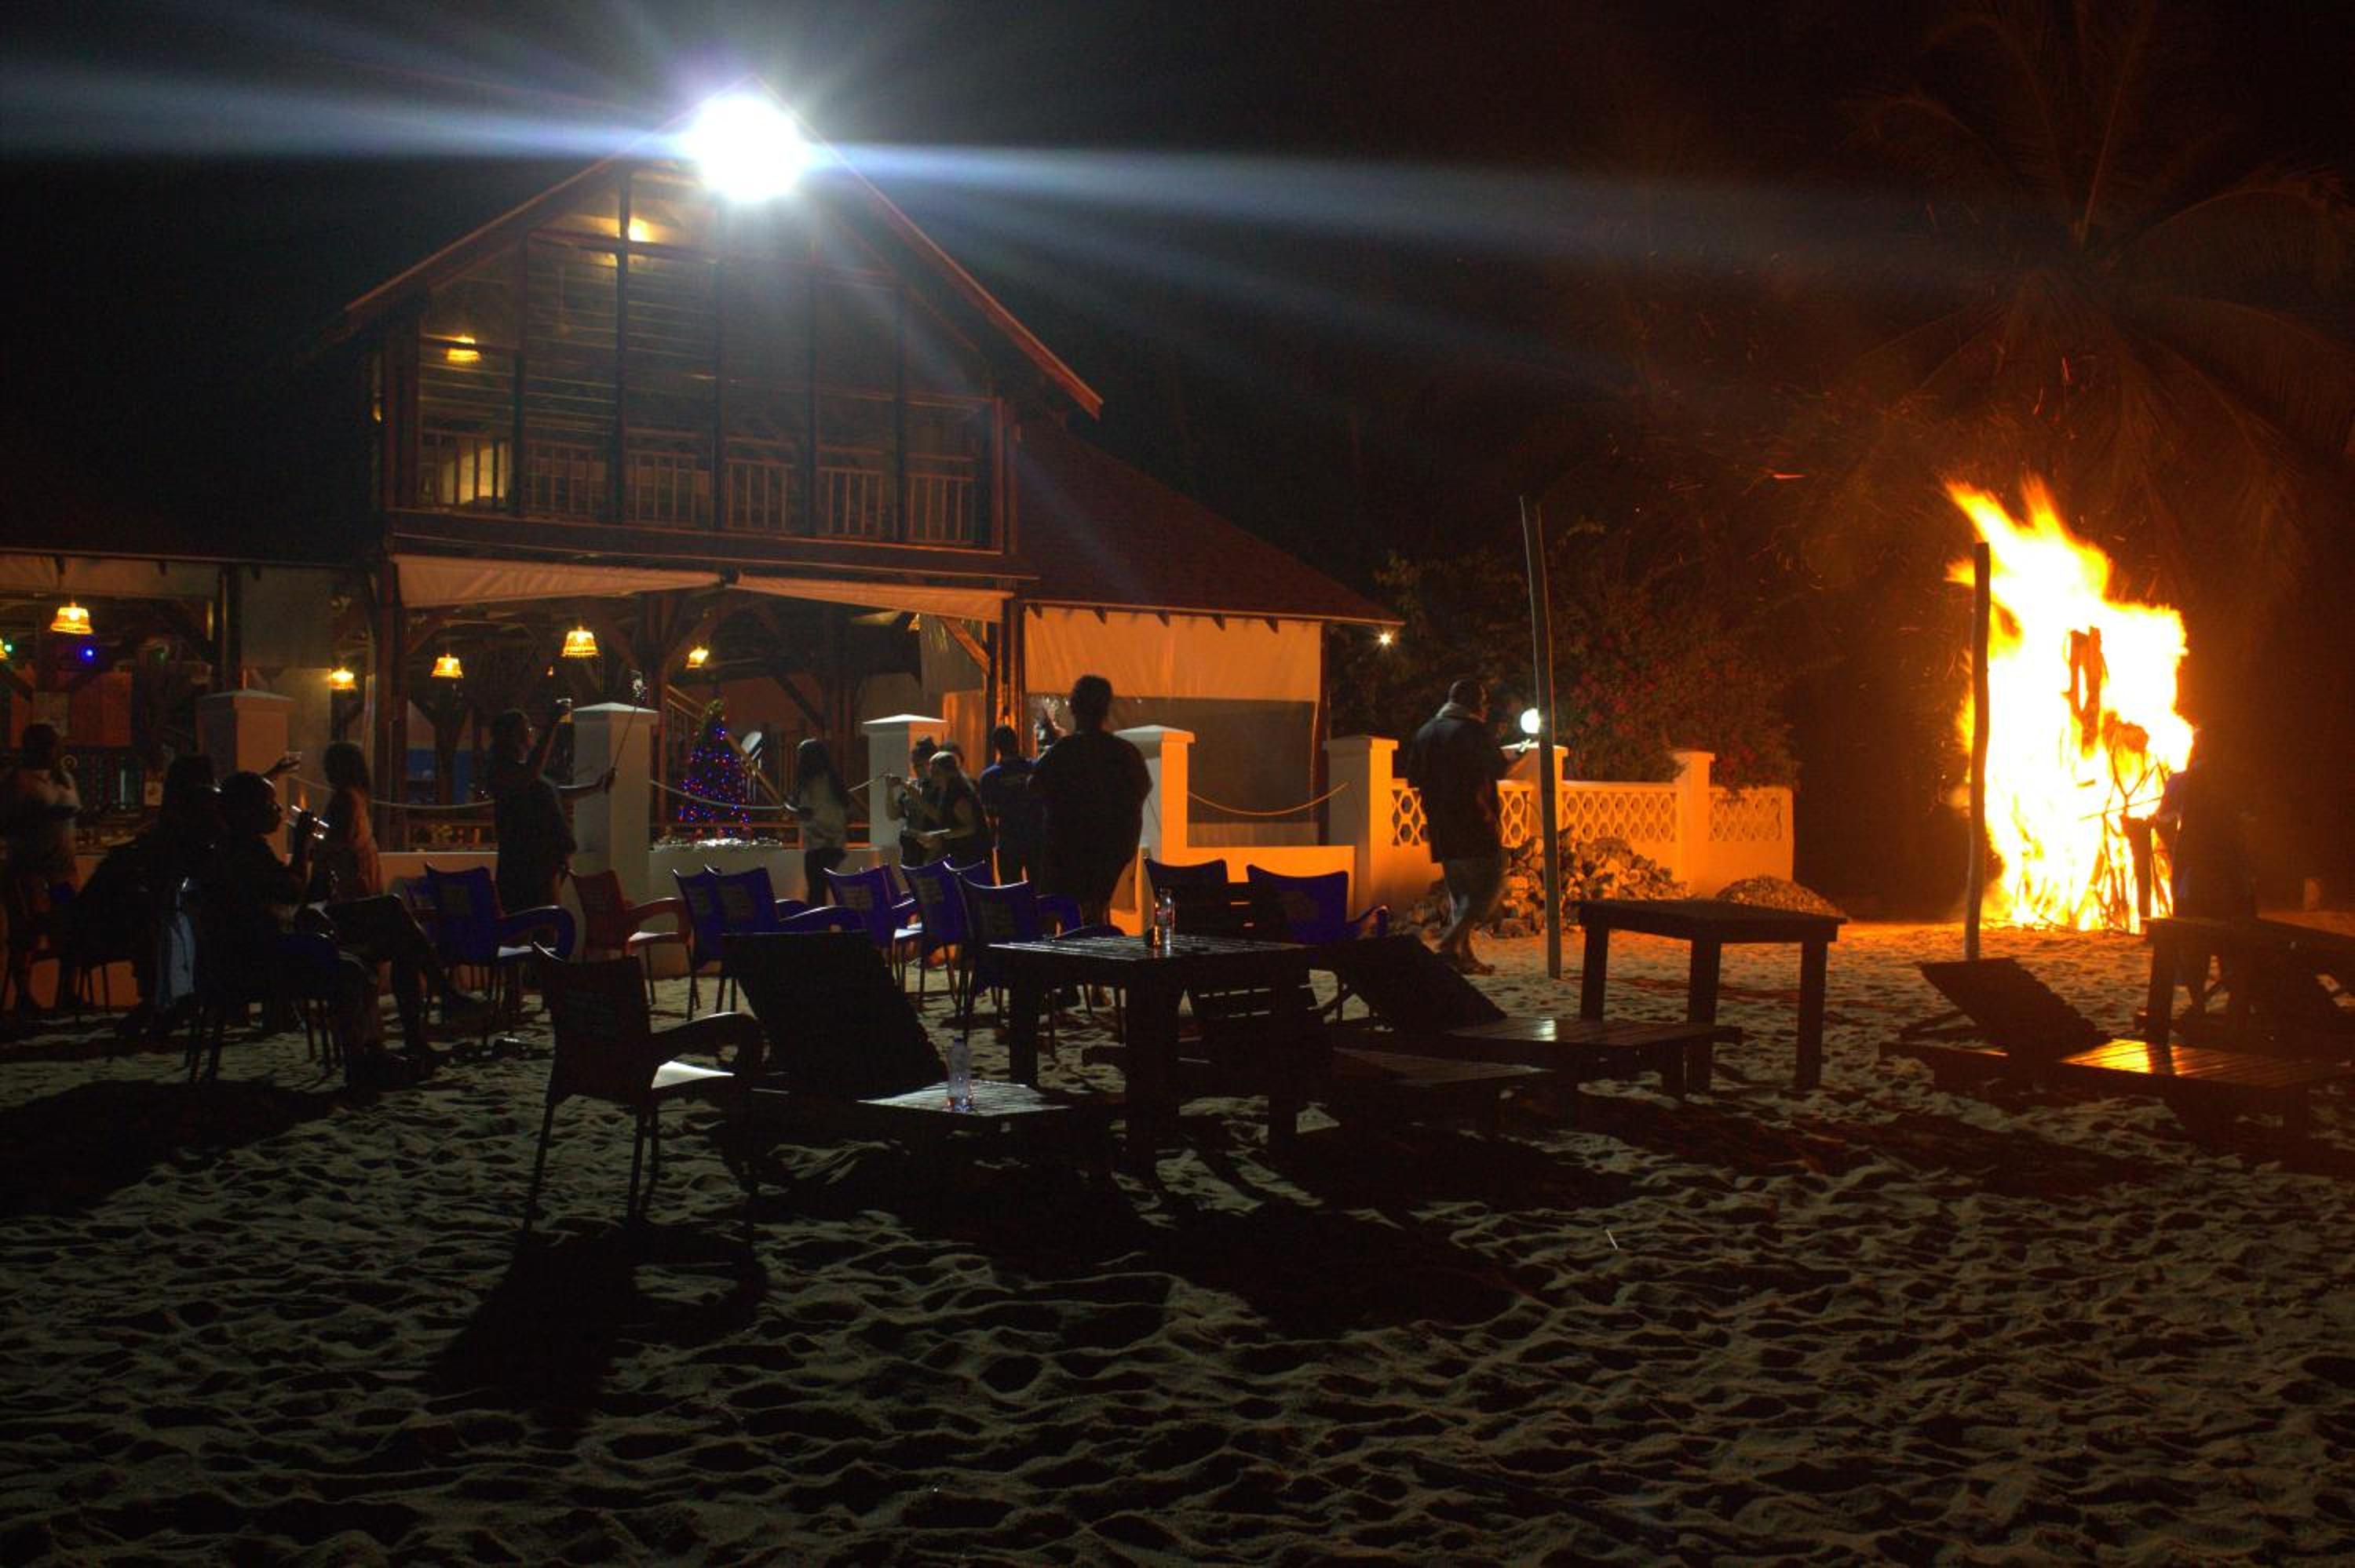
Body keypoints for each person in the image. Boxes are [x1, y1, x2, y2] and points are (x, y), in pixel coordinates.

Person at [1404, 678, 1510, 974]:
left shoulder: (1426, 731)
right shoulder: (1472, 730)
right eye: (1484, 701)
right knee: (1489, 887)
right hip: (1475, 821)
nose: (1486, 707)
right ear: (1474, 702)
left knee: (1460, 894)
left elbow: (1413, 777)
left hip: (1441, 826)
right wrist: (1515, 756)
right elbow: (1498, 768)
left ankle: (1462, 956)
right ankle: (1450, 942)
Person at [1032, 675, 1152, 928]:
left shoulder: (1063, 752)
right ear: (1106, 709)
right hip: (1109, 858)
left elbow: (1035, 787)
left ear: (1074, 708)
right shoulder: (1125, 754)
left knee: (1053, 920)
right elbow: (1141, 789)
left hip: (1065, 858)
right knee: (1095, 915)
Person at [487, 703, 612, 916]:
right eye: (527, 728)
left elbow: (556, 793)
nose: (531, 732)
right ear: (513, 736)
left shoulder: (524, 771)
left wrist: (596, 787)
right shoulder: (503, 770)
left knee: (547, 923)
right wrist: (552, 724)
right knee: (538, 924)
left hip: (545, 866)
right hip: (525, 868)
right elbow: (530, 776)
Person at [2, 724, 82, 1012]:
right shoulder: (18, 780)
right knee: (29, 929)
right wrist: (40, 817)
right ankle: (24, 994)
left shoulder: (65, 778)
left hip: (62, 872)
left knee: (68, 926)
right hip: (30, 871)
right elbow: (6, 821)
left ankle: (67, 991)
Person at [311, 742, 382, 903]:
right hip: (359, 878)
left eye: (330, 765)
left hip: (349, 883)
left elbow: (339, 840)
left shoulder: (345, 799)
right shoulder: (358, 796)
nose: (326, 770)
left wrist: (311, 839)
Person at [976, 723, 1044, 884]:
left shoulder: (989, 777)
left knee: (1011, 889)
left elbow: (990, 815)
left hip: (1009, 841)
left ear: (996, 746)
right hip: (1037, 839)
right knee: (1040, 889)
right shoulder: (1035, 768)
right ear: (1016, 741)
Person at [786, 738, 852, 902]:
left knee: (816, 895)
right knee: (823, 892)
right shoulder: (833, 780)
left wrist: (787, 809)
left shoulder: (810, 783)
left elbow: (806, 814)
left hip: (818, 846)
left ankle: (819, 920)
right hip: (836, 845)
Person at [914, 746, 995, 868]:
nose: (933, 777)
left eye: (937, 773)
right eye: (932, 772)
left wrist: (939, 836)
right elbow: (947, 821)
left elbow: (971, 827)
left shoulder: (959, 795)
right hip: (958, 854)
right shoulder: (942, 793)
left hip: (973, 856)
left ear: (950, 773)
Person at [882, 737, 940, 866]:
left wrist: (916, 797)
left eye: (919, 765)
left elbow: (938, 816)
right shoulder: (913, 785)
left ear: (930, 763)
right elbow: (893, 815)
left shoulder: (939, 788)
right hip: (909, 847)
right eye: (913, 765)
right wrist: (889, 790)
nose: (915, 769)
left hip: (929, 849)